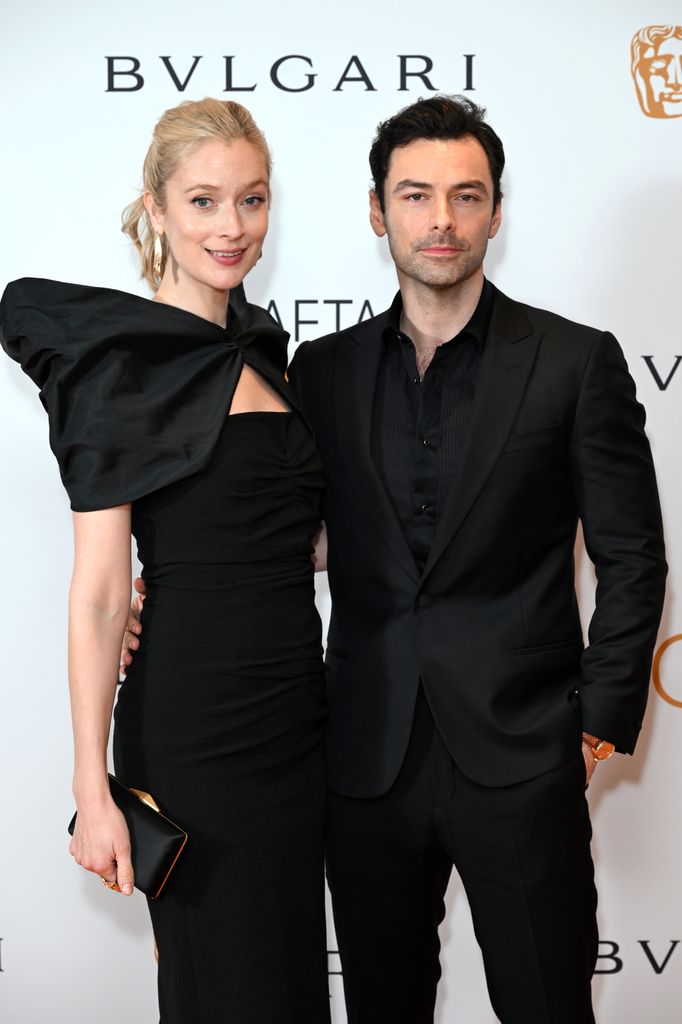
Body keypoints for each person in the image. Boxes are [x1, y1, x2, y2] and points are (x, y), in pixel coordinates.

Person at [123, 96, 666, 1023]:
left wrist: (597, 722)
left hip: (525, 753)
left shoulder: (575, 363)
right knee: (383, 1005)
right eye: (415, 195)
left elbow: (634, 557)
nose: (441, 220)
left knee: (547, 1004)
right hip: (361, 760)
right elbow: (290, 529)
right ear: (379, 212)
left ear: (497, 210)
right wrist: (164, 593)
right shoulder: (320, 375)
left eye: (466, 195)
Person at [0, 98, 330, 1024]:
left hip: (299, 717)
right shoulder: (118, 368)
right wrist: (90, 784)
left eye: (252, 200)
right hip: (196, 728)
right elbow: (103, 591)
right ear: (156, 208)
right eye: (203, 201)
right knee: (224, 984)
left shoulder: (266, 352)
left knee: (290, 976)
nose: (232, 227)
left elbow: (291, 540)